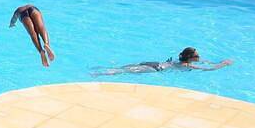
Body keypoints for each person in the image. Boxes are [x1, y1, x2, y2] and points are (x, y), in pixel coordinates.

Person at [92, 47, 232, 76]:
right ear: (191, 58)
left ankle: (101, 68)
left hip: (154, 63)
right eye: (197, 56)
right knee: (123, 71)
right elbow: (208, 69)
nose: (200, 57)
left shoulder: (181, 61)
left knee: (123, 68)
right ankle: (99, 74)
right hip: (154, 69)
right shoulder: (186, 66)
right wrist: (223, 64)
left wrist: (218, 61)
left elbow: (206, 63)